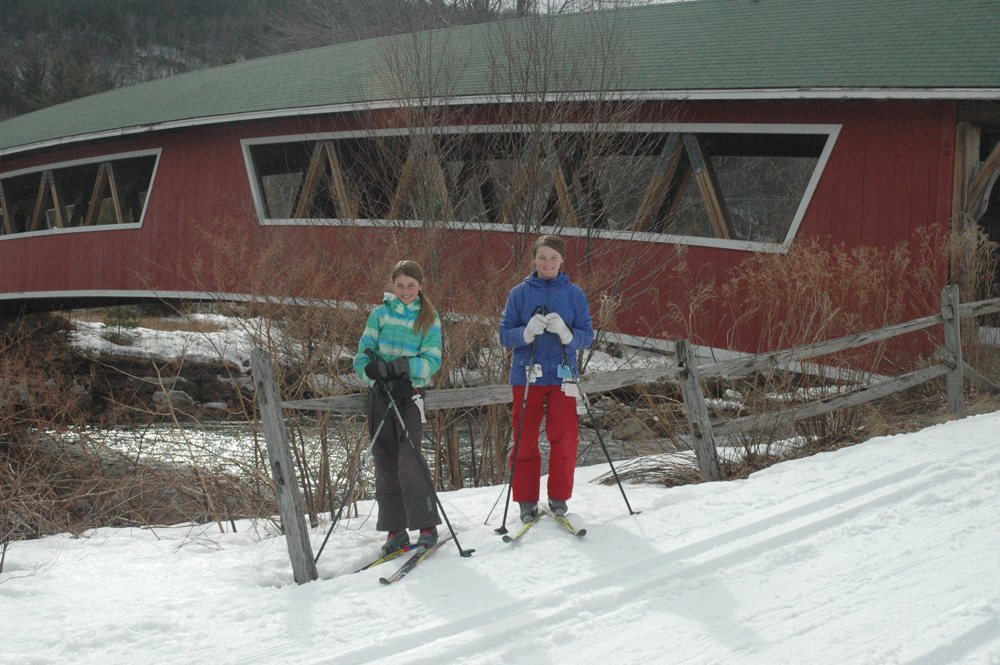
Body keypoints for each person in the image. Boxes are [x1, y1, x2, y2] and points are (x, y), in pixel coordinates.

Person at [499, 235, 595, 523]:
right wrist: (525, 334)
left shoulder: (575, 294)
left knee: (565, 438)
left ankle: (559, 498)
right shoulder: (519, 293)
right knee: (525, 440)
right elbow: (505, 334)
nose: (548, 263)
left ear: (562, 260)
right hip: (526, 378)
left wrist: (568, 335)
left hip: (564, 378)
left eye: (553, 257)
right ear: (534, 260)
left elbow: (587, 336)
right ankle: (526, 500)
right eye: (542, 257)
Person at [354, 260, 443, 554]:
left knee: (410, 461)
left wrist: (406, 369)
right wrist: (371, 371)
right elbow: (362, 353)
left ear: (420, 287)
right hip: (381, 395)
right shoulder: (380, 314)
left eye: (411, 285)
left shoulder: (428, 317)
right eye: (400, 285)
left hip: (410, 394)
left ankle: (427, 525)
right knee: (385, 461)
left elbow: (433, 359)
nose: (405, 291)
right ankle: (395, 530)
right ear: (392, 285)